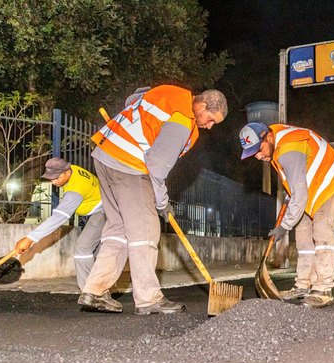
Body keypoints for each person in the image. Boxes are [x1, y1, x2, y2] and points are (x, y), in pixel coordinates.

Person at [78, 85, 227, 314]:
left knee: (118, 228)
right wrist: (162, 204)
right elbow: (157, 168)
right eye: (211, 119)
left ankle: (94, 290)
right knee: (145, 231)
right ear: (203, 105)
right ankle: (149, 299)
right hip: (129, 164)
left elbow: (133, 97)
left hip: (104, 156)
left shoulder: (169, 92)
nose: (209, 126)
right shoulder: (183, 118)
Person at [239, 122, 334, 308]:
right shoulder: (277, 145)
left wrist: (284, 226)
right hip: (313, 187)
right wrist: (291, 199)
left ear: (268, 137)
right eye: (253, 154)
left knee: (322, 228)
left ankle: (323, 288)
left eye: (259, 150)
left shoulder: (288, 148)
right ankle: (303, 285)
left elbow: (299, 193)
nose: (258, 156)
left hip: (332, 180)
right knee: (302, 233)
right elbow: (296, 184)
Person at [14, 157, 104, 291]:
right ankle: (101, 288)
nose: (53, 181)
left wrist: (30, 238)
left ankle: (90, 293)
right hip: (94, 212)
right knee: (95, 254)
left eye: (56, 178)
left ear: (67, 172)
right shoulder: (72, 169)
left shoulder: (76, 189)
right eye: (50, 178)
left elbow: (60, 217)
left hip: (103, 212)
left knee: (82, 248)